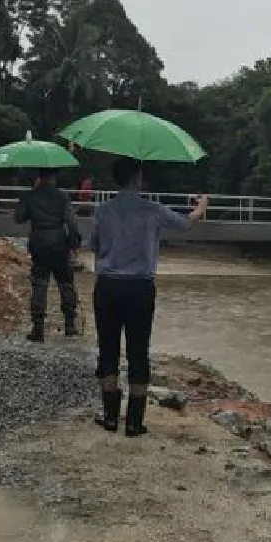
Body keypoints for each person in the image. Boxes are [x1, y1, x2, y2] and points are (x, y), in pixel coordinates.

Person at [89, 157, 207, 437]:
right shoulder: (153, 210)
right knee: (138, 351)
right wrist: (201, 206)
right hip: (140, 287)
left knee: (108, 349)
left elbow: (93, 244)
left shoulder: (102, 210)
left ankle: (110, 417)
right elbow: (186, 223)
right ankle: (134, 422)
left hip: (107, 285)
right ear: (136, 179)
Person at [14, 169, 80, 342]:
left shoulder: (30, 196)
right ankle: (70, 325)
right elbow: (72, 222)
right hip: (59, 243)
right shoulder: (62, 196)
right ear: (54, 177)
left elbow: (18, 218)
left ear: (39, 177)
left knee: (40, 284)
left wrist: (28, 198)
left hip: (39, 242)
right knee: (66, 282)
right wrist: (74, 243)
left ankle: (38, 328)